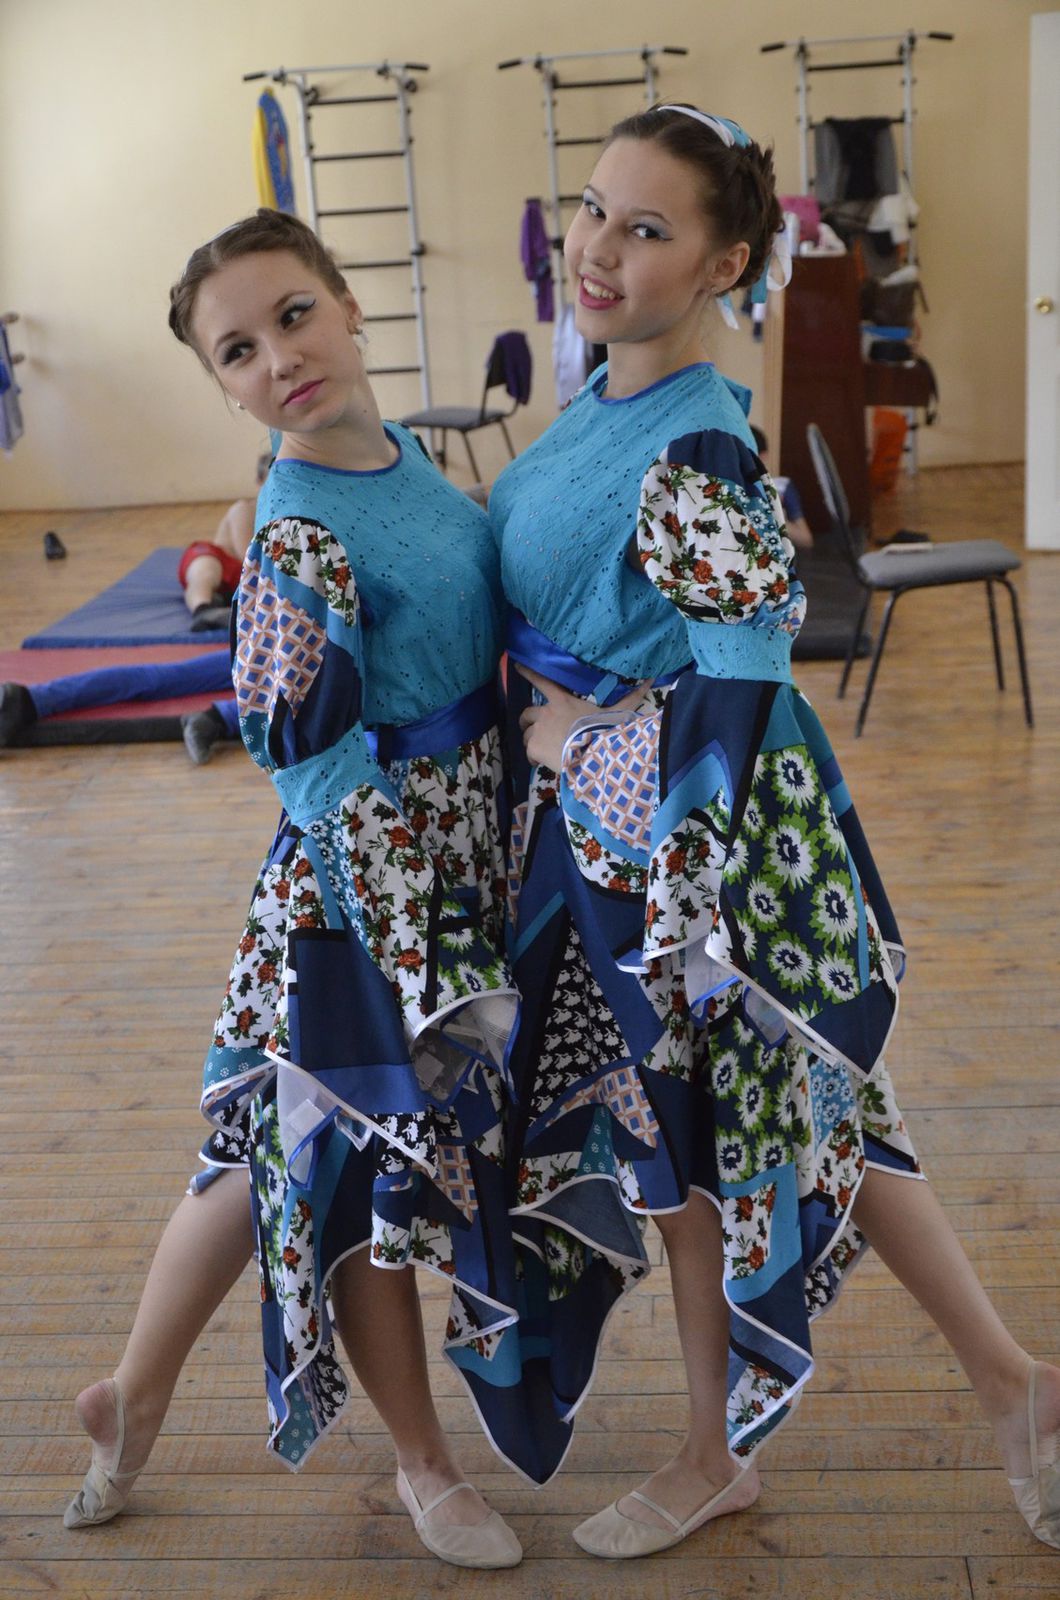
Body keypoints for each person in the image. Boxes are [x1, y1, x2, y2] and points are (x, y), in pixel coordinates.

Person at [489, 104, 1060, 1557]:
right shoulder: (601, 396)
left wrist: (582, 739)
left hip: (677, 870)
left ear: (724, 262)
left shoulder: (694, 445)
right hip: (609, 850)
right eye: (594, 208)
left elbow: (742, 689)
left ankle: (712, 1453)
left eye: (647, 228)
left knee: (696, 1162)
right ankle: (1018, 1389)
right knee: (822, 1116)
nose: (598, 247)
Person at [63, 209, 530, 1569]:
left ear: (348, 306)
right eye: (238, 352)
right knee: (355, 1166)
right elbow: (311, 768)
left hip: (447, 857)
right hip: (365, 895)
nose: (278, 357)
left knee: (261, 1151)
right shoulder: (296, 531)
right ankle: (424, 1466)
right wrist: (421, 947)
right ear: (224, 389)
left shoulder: (410, 462)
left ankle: (130, 1397)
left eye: (293, 315)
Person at [178, 452, 270, 630]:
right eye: (271, 482)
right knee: (206, 570)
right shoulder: (244, 509)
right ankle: (202, 608)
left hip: (243, 579)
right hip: (224, 561)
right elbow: (248, 556)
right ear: (259, 482)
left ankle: (222, 598)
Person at [750, 424, 812, 550]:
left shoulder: (782, 487)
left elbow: (806, 540)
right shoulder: (723, 489)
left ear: (763, 456)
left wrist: (776, 517)